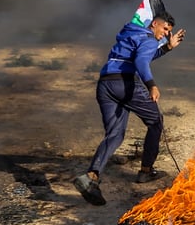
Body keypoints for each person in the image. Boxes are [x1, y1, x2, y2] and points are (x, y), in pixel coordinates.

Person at [73, 12, 186, 205]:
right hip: (124, 83)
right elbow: (141, 62)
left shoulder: (131, 34)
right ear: (154, 24)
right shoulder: (149, 38)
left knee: (115, 134)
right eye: (165, 29)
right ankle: (146, 171)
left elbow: (140, 56)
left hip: (105, 85)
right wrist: (151, 84)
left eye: (170, 31)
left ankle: (91, 177)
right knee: (155, 122)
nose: (166, 33)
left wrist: (167, 47)